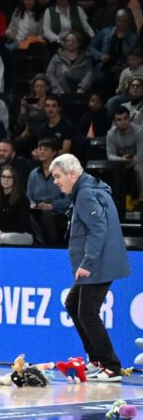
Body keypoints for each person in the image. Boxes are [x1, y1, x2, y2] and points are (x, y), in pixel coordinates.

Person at [51, 154, 130, 382]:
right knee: (73, 304)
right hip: (98, 261)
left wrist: (87, 263)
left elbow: (98, 229)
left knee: (87, 312)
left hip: (97, 263)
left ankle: (112, 366)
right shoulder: (86, 189)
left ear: (72, 174)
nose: (55, 181)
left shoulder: (85, 194)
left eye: (58, 176)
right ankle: (96, 360)